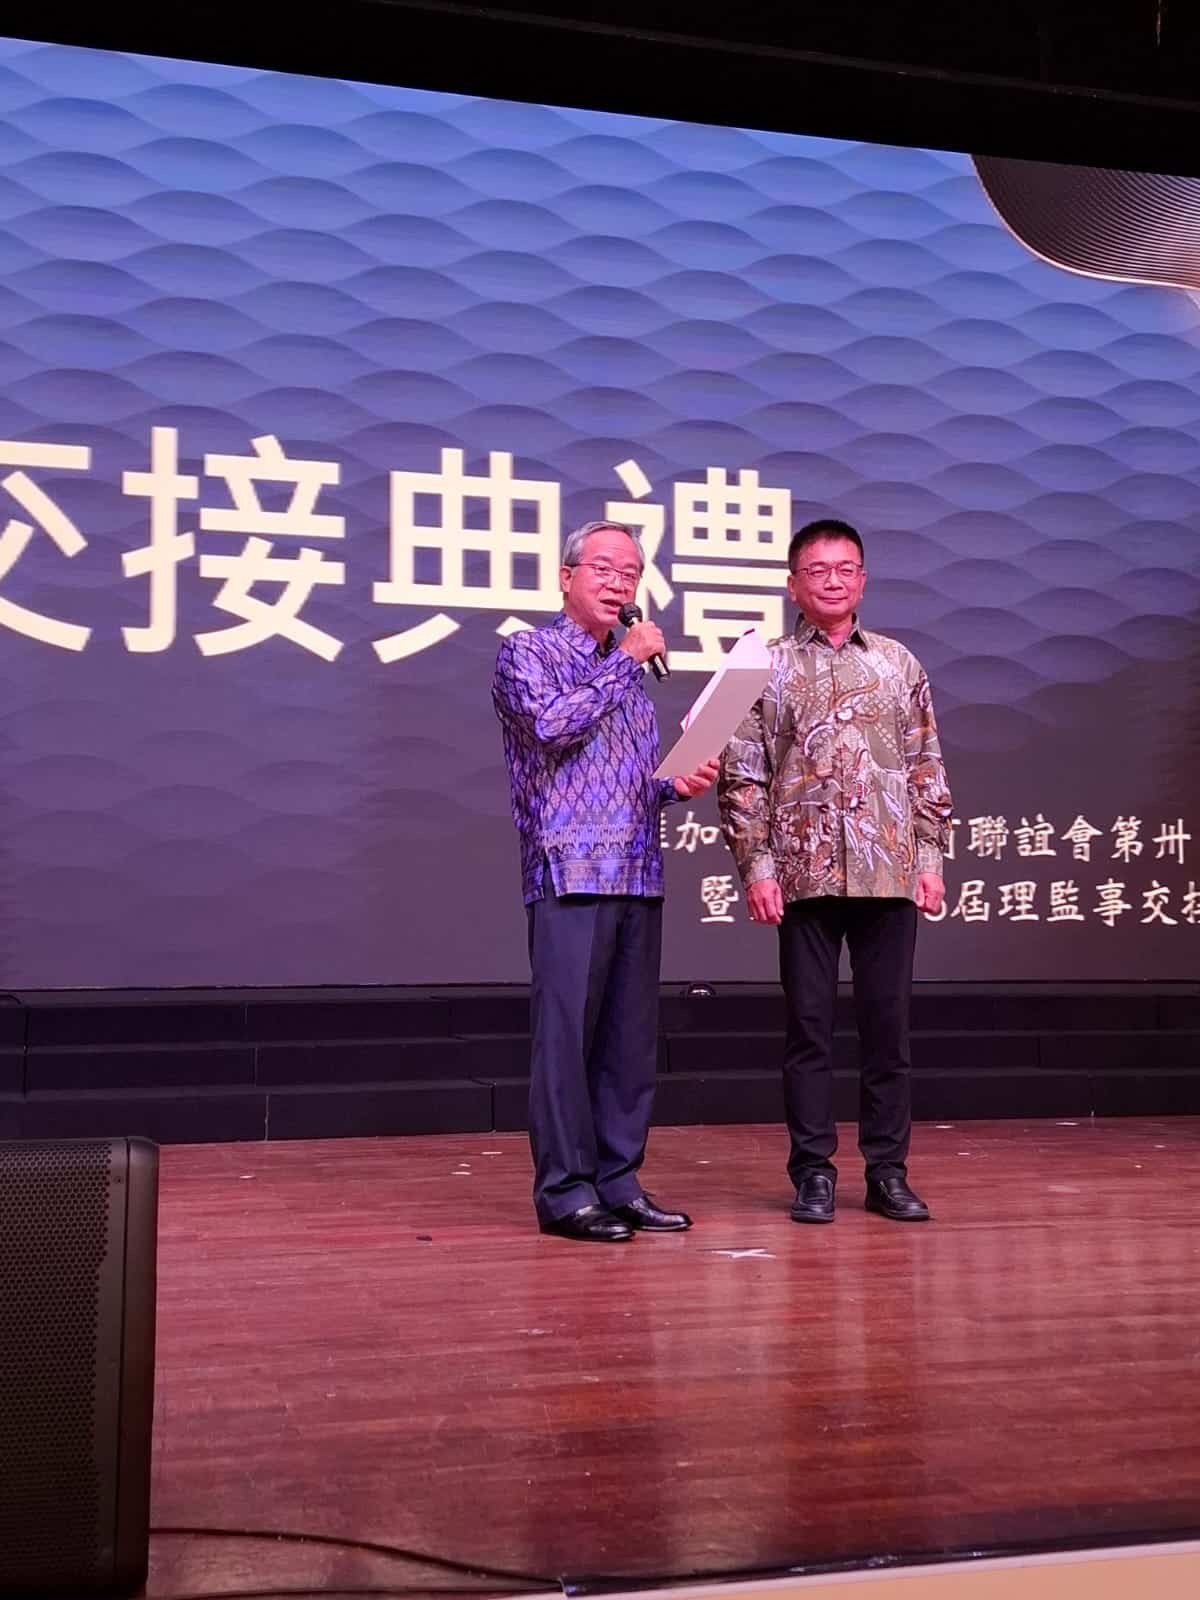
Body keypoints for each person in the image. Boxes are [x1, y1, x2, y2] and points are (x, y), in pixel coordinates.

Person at [718, 518, 953, 1224]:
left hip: (889, 872)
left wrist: (930, 857)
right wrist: (757, 866)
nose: (832, 580)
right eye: (816, 570)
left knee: (888, 1032)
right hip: (803, 875)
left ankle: (888, 1173)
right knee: (809, 1031)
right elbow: (742, 773)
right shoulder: (763, 665)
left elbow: (925, 764)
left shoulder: (899, 664)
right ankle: (813, 1173)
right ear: (793, 585)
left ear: (863, 581)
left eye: (844, 568)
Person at [493, 519, 719, 1242]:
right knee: (566, 1040)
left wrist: (677, 782)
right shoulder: (527, 652)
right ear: (566, 577)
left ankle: (618, 1181)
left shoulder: (629, 681)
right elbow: (552, 728)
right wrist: (624, 659)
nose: (620, 583)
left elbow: (631, 782)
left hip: (638, 870)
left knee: (628, 1042)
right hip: (570, 870)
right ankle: (565, 1192)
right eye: (604, 568)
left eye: (631, 572)